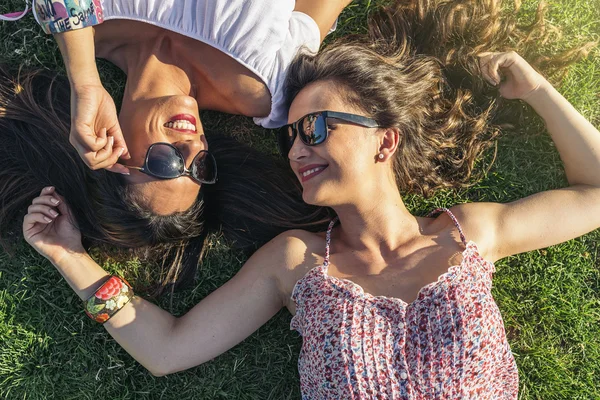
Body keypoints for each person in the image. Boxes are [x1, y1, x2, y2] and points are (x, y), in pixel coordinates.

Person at [21, 0, 600, 398]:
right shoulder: (297, 264)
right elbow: (167, 349)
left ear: (386, 141)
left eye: (317, 130)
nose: (296, 148)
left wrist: (540, 93)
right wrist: (68, 255)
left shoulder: (468, 235)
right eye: (294, 136)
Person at [0, 0, 345, 291]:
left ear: (112, 152)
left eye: (167, 162)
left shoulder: (84, 28)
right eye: (201, 167)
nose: (193, 145)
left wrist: (85, 82)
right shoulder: (266, 87)